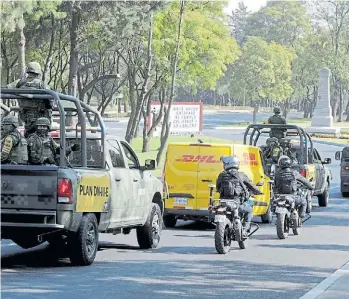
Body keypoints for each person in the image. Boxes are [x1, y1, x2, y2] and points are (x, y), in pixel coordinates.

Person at [216, 156, 263, 234]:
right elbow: (251, 185)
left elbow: (218, 187)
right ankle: (245, 229)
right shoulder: (241, 175)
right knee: (249, 209)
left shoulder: (221, 175)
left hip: (223, 202)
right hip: (237, 202)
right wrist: (259, 192)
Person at [8, 62, 53, 138]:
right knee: (42, 138)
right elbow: (50, 100)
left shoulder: (20, 83)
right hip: (40, 116)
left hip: (25, 116)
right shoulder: (41, 84)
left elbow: (8, 88)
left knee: (28, 136)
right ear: (38, 72)